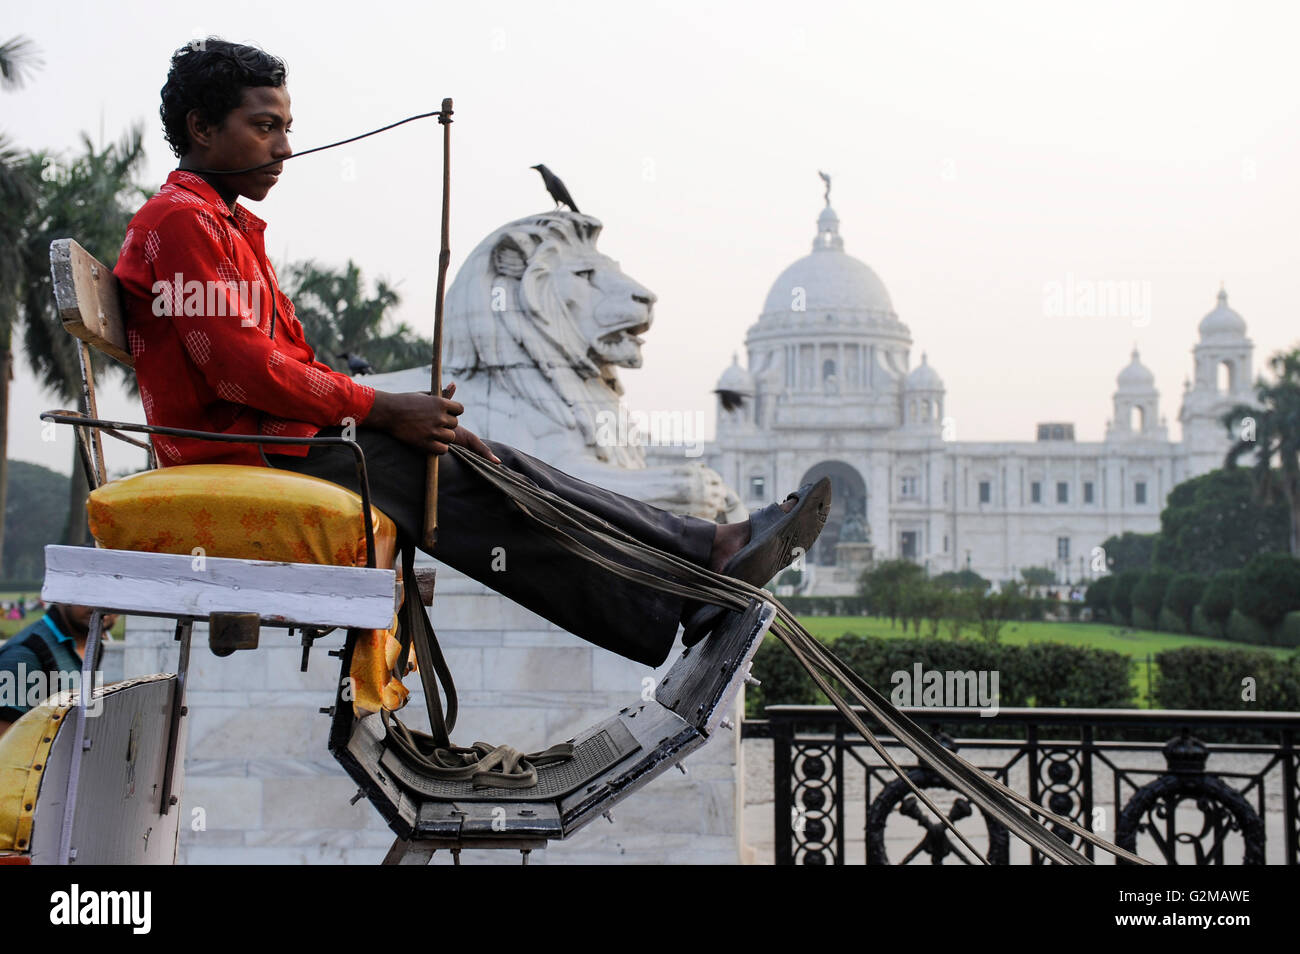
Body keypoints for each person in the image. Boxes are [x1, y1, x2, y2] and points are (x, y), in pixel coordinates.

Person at [110, 39, 827, 670]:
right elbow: (240, 367)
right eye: (263, 128)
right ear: (202, 129)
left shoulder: (227, 226)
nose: (285, 149)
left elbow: (286, 358)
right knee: (459, 478)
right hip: (239, 447)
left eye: (287, 129)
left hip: (278, 437)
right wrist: (384, 408)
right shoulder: (182, 222)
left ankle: (705, 549)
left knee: (490, 457)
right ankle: (685, 585)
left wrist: (388, 409)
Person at [0, 604, 118, 739]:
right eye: (88, 588)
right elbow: (6, 748)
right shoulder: (23, 655)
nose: (102, 602)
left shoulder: (92, 645)